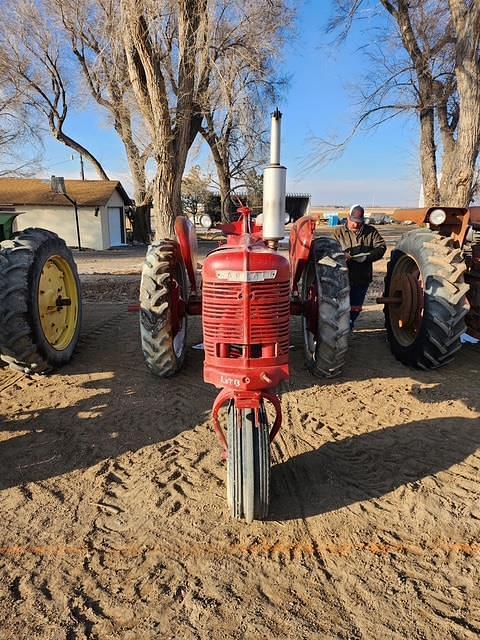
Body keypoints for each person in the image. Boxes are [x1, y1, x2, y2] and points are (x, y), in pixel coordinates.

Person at [334, 204, 386, 331]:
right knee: (340, 304)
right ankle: (341, 326)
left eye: (359, 222)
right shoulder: (338, 232)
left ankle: (350, 322)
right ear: (348, 218)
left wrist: (366, 257)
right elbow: (332, 250)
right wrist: (341, 255)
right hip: (342, 276)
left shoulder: (371, 232)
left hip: (362, 276)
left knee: (356, 305)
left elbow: (381, 247)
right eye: (353, 222)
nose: (356, 225)